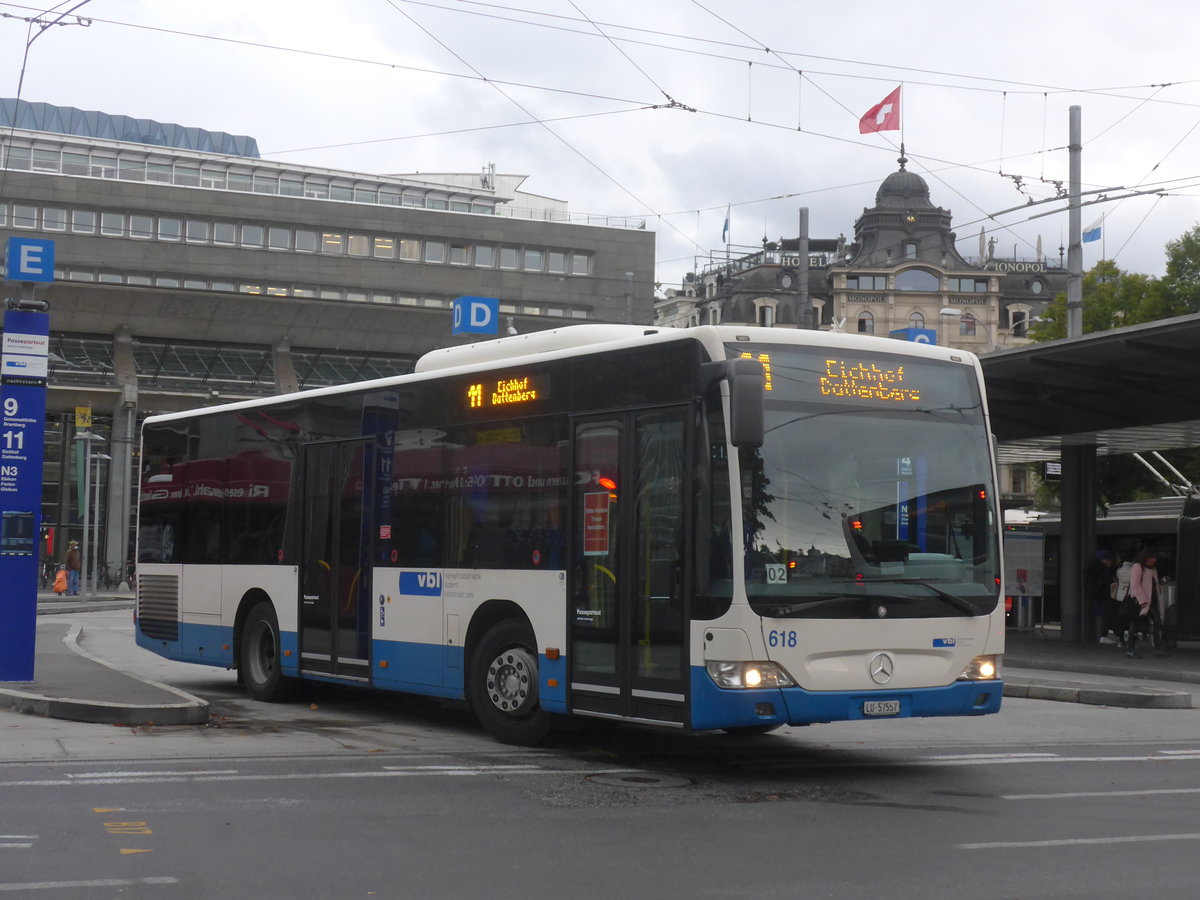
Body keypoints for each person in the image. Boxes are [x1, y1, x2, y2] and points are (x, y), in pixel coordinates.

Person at [1125, 549, 1159, 659]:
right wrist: (1142, 600)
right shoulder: (1138, 567)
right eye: (1152, 558)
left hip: (1151, 601)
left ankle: (1159, 648)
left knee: (1157, 623)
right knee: (1136, 625)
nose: (1154, 560)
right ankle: (1130, 649)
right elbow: (1135, 585)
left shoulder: (1152, 569)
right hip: (1141, 601)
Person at [1086, 551, 1118, 644]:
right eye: (1109, 561)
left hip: (1097, 595)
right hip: (1102, 595)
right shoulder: (1101, 569)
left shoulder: (1093, 568)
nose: (1110, 563)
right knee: (1106, 614)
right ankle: (1103, 635)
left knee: (1104, 614)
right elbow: (1103, 580)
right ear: (1104, 560)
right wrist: (1111, 579)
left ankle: (1103, 635)